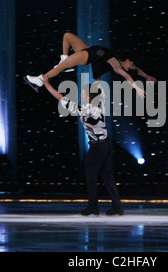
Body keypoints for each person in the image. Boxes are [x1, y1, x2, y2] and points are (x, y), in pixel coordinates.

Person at [42, 75, 124, 216]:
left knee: (91, 176)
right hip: (106, 145)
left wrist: (47, 84)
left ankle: (93, 207)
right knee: (107, 176)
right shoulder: (100, 105)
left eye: (84, 93)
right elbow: (99, 89)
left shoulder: (83, 110)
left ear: (89, 97)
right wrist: (97, 78)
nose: (81, 94)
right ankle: (117, 206)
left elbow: (60, 98)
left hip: (97, 147)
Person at [25, 32, 157, 98]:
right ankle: (63, 59)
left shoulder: (117, 66)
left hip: (88, 56)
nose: (131, 60)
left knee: (60, 68)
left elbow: (128, 75)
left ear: (127, 67)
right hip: (88, 49)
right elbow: (136, 70)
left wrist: (136, 88)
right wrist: (147, 76)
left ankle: (41, 80)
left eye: (131, 63)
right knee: (67, 36)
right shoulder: (120, 60)